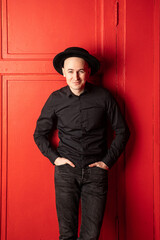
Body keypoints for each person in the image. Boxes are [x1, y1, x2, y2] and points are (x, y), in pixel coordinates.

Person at [33, 47, 130, 240]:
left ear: (88, 72)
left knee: (90, 236)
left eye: (80, 71)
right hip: (66, 173)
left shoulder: (104, 97)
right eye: (70, 71)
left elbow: (122, 131)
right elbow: (39, 134)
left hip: (96, 173)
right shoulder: (55, 99)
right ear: (63, 72)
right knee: (66, 235)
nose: (75, 77)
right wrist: (55, 159)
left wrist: (106, 162)